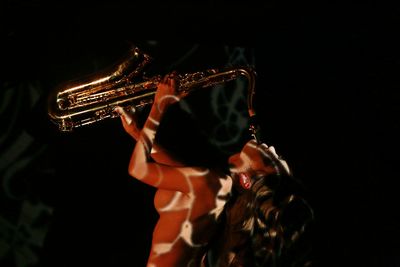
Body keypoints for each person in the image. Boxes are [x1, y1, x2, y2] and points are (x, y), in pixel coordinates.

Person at [115, 74, 315, 267]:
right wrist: (136, 130)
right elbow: (170, 168)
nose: (273, 149)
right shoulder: (218, 189)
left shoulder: (215, 184)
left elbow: (138, 169)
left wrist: (160, 105)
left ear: (246, 180)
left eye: (273, 161)